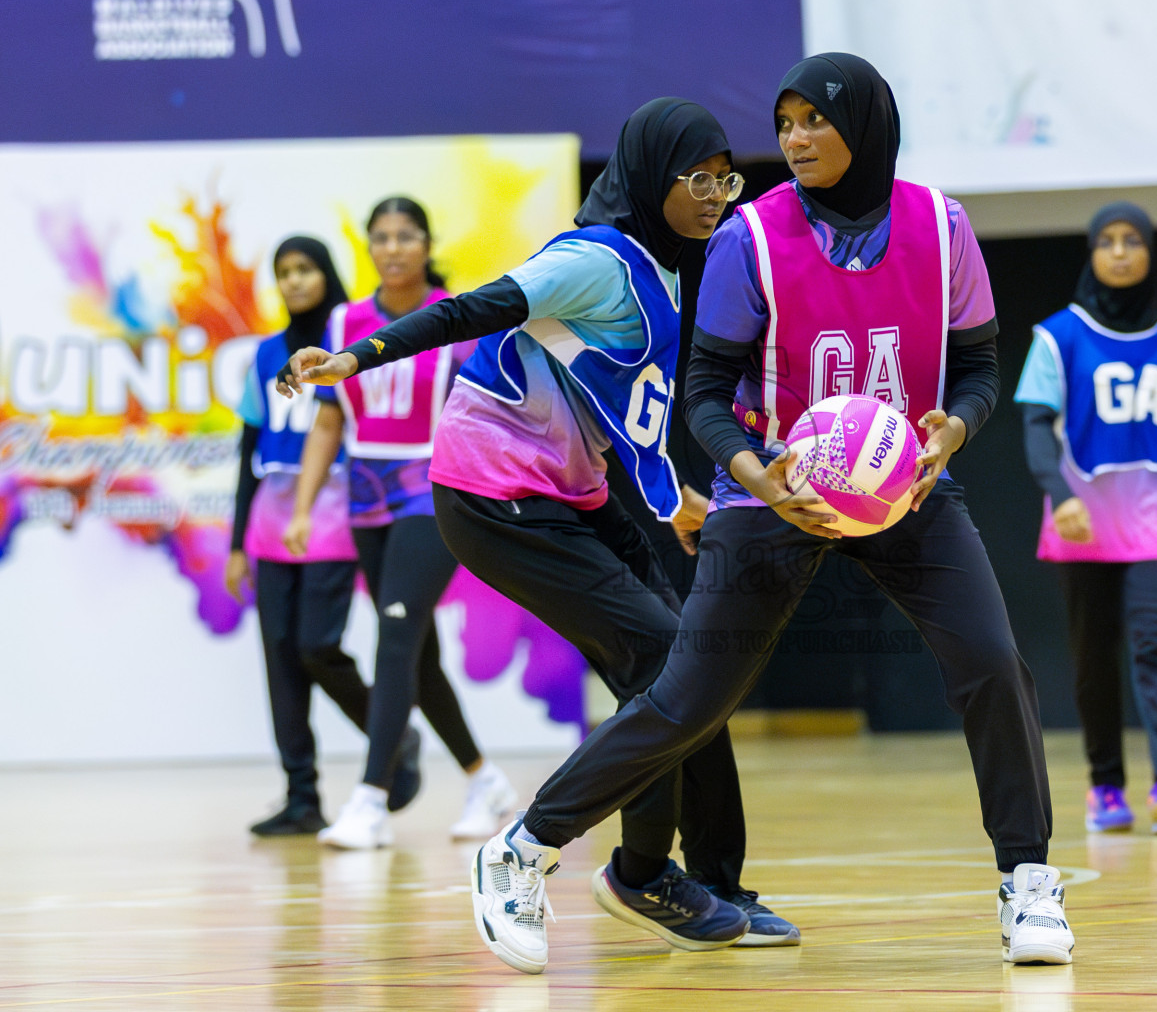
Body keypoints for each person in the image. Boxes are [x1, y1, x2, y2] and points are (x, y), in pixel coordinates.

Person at [426, 54, 1075, 973]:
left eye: (816, 119)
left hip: (906, 490)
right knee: (688, 695)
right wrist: (757, 475)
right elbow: (702, 390)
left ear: (868, 125)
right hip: (774, 491)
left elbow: (976, 367)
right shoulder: (751, 237)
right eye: (786, 121)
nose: (796, 138)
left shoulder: (944, 225)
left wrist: (953, 433)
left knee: (993, 664)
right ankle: (522, 849)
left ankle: (1030, 883)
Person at [277, 99, 797, 958]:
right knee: (672, 660)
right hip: (491, 497)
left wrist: (673, 501)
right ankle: (568, 858)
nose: (717, 196)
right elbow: (468, 311)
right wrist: (355, 357)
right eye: (698, 180)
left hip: (572, 494)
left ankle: (709, 878)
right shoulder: (592, 259)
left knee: (695, 658)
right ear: (648, 179)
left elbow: (619, 409)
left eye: (726, 179)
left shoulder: (667, 269)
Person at [283, 198, 513, 849]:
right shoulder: (342, 320)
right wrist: (301, 507)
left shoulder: (456, 318)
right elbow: (329, 418)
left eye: (405, 236)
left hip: (431, 493)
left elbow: (483, 414)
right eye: (380, 237)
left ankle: (370, 800)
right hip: (365, 498)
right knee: (417, 652)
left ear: (426, 243)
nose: (392, 248)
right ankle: (485, 779)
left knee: (394, 635)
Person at [1016, 203, 1157, 836]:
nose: (1119, 252)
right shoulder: (1058, 337)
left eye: (1131, 240)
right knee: (1093, 660)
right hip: (1082, 518)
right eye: (1106, 241)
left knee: (1156, 641)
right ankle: (1106, 786)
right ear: (1091, 253)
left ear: (1149, 252)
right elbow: (1033, 428)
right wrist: (1062, 495)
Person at [227, 236, 420, 836]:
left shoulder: (348, 343)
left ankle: (392, 740)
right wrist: (236, 542)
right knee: (280, 659)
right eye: (283, 272)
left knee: (316, 645)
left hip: (335, 511)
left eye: (305, 268)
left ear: (326, 273)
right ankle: (301, 796)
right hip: (269, 520)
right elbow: (246, 451)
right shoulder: (262, 357)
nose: (294, 281)